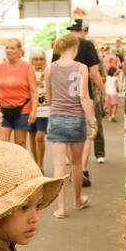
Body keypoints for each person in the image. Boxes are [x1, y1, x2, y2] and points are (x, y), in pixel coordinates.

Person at [45, 32, 96, 218]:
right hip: (76, 119)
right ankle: (77, 200)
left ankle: (61, 208)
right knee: (76, 164)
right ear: (75, 47)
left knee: (58, 166)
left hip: (56, 117)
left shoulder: (50, 68)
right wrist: (93, 122)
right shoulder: (81, 68)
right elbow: (84, 97)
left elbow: (49, 97)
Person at [66, 19, 106, 176]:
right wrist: (105, 93)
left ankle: (72, 166)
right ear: (85, 31)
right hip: (84, 94)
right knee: (89, 130)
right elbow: (95, 73)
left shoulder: (61, 45)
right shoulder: (87, 45)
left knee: (68, 132)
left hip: (65, 96)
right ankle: (82, 169)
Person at [0, 37, 38, 149]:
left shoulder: (27, 67)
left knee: (20, 144)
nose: (9, 50)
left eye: (12, 48)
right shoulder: (0, 67)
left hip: (22, 109)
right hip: (3, 109)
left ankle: (19, 166)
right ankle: (5, 166)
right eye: (7, 48)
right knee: (2, 143)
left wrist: (33, 111)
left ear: (19, 51)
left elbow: (34, 91)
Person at [28, 46, 50, 169]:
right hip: (31, 108)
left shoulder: (48, 71)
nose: (38, 62)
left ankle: (40, 164)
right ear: (32, 60)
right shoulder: (29, 71)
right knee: (32, 136)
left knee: (39, 136)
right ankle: (36, 164)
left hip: (45, 109)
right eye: (36, 59)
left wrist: (45, 84)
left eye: (41, 59)